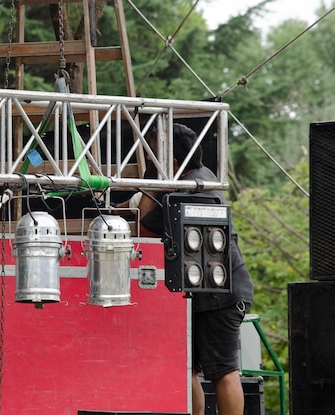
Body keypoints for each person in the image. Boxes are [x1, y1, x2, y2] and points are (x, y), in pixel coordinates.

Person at [124, 123, 253, 415]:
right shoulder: (198, 179)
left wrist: (152, 180)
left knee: (223, 370)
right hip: (202, 293)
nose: (152, 160)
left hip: (220, 295)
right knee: (187, 368)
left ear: (171, 161)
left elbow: (144, 226)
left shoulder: (189, 189)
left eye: (155, 156)